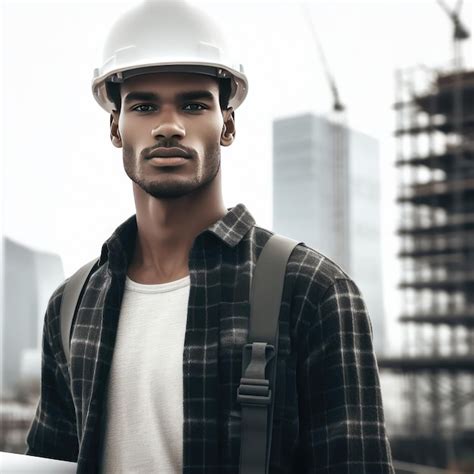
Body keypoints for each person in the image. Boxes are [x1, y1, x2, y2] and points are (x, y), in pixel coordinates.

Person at [25, 0, 395, 472]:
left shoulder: (314, 291)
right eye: (143, 105)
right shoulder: (73, 304)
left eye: (195, 104)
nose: (169, 126)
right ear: (116, 126)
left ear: (229, 124)